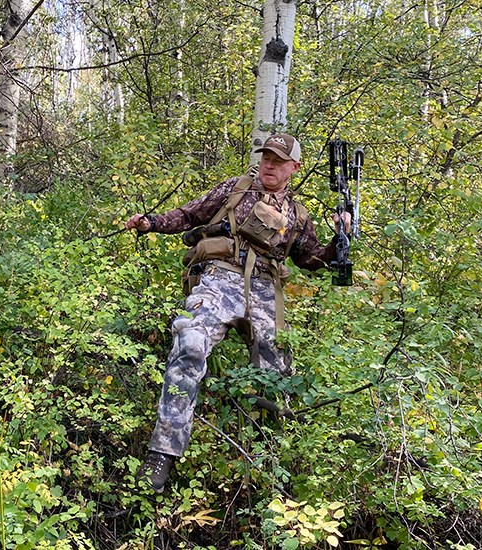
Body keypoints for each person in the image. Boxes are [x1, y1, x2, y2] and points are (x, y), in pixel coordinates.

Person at [124, 133, 349, 493]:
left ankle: (270, 461)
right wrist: (151, 222)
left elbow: (311, 259)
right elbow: (188, 214)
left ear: (294, 167)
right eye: (266, 158)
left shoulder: (297, 214)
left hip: (264, 289)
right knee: (190, 344)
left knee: (277, 374)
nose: (270, 165)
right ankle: (161, 455)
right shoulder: (235, 189)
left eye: (278, 160)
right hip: (219, 281)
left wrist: (340, 241)